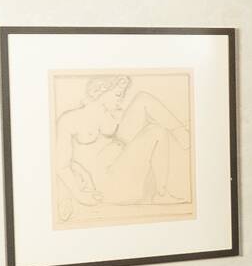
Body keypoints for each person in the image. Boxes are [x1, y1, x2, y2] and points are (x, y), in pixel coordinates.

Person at [52, 75, 191, 220]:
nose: (121, 100)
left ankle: (184, 137)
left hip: (122, 166)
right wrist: (80, 195)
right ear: (101, 92)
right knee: (157, 131)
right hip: (110, 184)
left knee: (143, 99)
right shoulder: (68, 120)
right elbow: (61, 166)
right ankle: (162, 194)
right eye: (118, 95)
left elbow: (119, 138)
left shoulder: (108, 115)